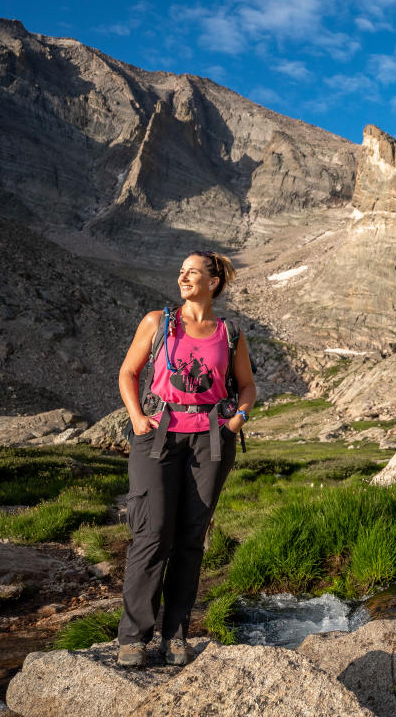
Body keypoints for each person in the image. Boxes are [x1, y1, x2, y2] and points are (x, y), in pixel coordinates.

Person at [114, 250, 256, 668]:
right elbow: (128, 373)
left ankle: (175, 636)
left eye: (192, 272)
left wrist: (237, 421)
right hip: (156, 437)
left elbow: (247, 386)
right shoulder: (158, 323)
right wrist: (137, 417)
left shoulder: (229, 333)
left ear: (213, 282)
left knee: (191, 539)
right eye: (181, 272)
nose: (183, 278)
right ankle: (133, 637)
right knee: (153, 532)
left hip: (211, 442)